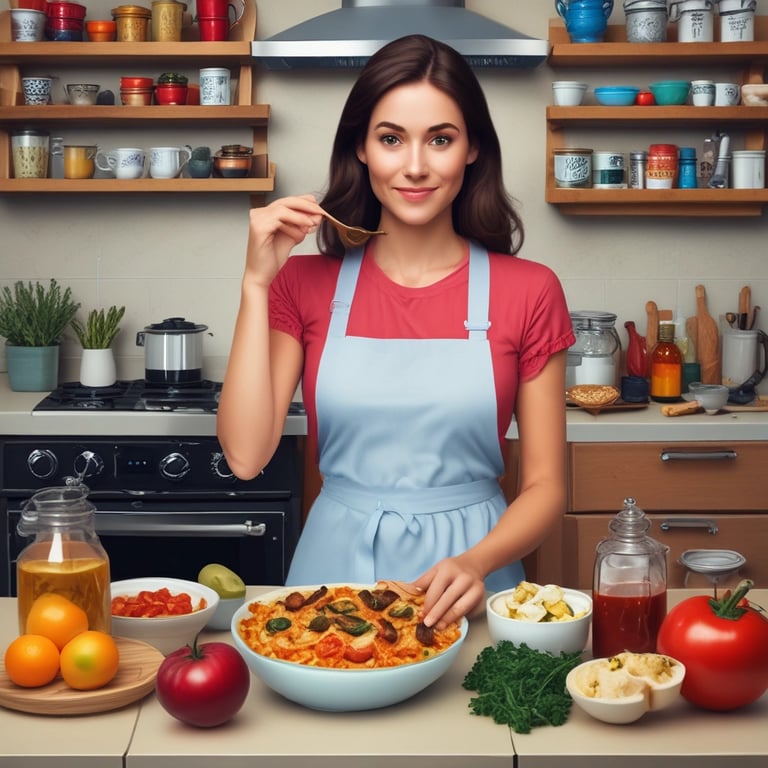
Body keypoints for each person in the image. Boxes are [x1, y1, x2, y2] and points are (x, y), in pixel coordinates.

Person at [217, 34, 574, 631]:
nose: (415, 166)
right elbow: (247, 456)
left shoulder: (530, 290)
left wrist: (475, 562)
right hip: (329, 587)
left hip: (473, 587)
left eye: (440, 139)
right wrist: (256, 283)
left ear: (472, 150)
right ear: (360, 148)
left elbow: (544, 486)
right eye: (391, 139)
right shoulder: (301, 283)